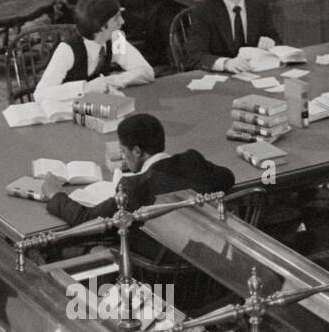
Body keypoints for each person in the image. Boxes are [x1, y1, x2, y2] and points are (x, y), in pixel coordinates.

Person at [43, 112, 235, 262]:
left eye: (123, 151)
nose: (123, 156)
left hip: (160, 271)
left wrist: (55, 195)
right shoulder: (193, 160)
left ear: (137, 151)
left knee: (64, 247)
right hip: (205, 258)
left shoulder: (136, 187)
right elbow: (228, 178)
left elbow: (86, 220)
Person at [33, 0, 153, 104]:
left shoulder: (116, 39)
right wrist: (86, 88)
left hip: (100, 106)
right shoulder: (67, 49)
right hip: (68, 111)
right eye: (116, 18)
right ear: (100, 26)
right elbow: (40, 94)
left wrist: (110, 81)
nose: (122, 21)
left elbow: (146, 72)